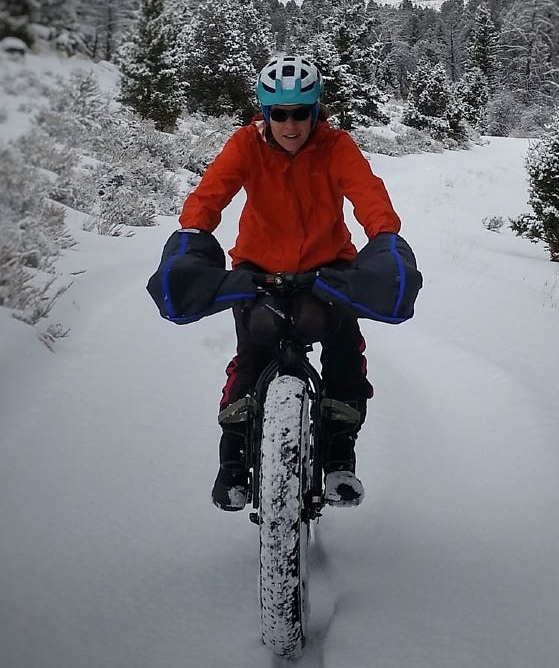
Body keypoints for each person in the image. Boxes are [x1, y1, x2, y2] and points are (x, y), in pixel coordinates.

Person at [170, 54, 407, 512]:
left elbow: (368, 196)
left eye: (301, 112)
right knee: (252, 354)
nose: (290, 124)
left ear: (316, 111)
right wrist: (194, 234)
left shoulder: (337, 146)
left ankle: (339, 457)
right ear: (264, 112)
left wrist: (385, 239)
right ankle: (233, 463)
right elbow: (210, 194)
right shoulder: (245, 145)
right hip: (258, 269)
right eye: (279, 113)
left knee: (343, 353)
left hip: (329, 269)